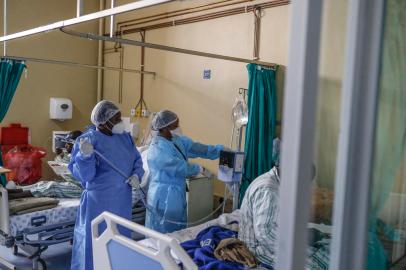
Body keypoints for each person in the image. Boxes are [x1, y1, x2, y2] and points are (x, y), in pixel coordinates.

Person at [69, 100, 144, 270]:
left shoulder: (125, 138)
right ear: (104, 121)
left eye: (119, 117)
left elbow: (137, 160)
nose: (120, 121)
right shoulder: (88, 141)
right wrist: (85, 157)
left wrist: (136, 175)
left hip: (122, 200)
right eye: (116, 118)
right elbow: (85, 176)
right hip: (98, 203)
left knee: (120, 239)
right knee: (94, 242)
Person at [145, 110, 224, 233]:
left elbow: (199, 149)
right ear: (165, 128)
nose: (178, 128)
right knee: (161, 233)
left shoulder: (177, 140)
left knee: (178, 233)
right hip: (162, 196)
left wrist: (221, 151)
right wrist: (198, 169)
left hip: (177, 195)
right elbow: (177, 166)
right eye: (175, 126)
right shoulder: (157, 148)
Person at [238, 165, 326, 269]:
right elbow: (265, 235)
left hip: (272, 241)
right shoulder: (268, 190)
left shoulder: (277, 182)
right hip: (258, 249)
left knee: (325, 255)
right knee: (315, 266)